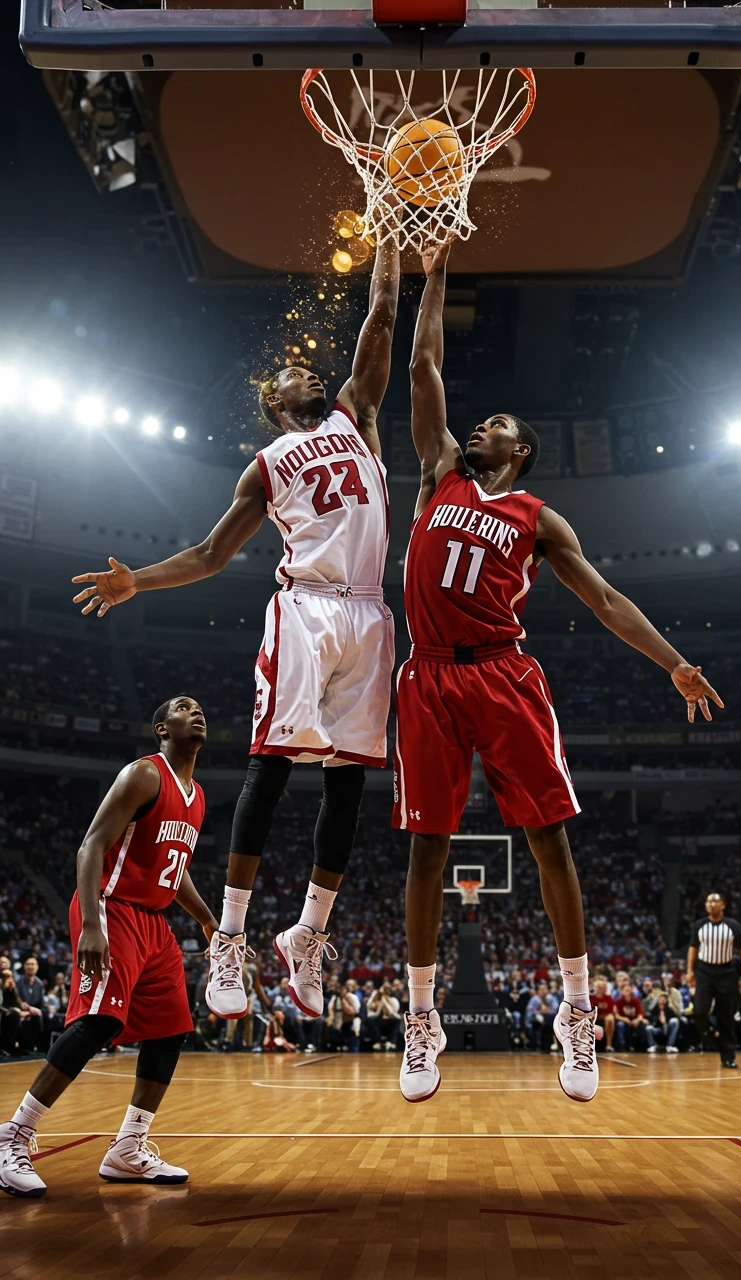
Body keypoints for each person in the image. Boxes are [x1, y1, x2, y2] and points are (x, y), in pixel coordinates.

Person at [394, 237, 723, 1105]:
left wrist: (676, 663)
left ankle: (576, 1014)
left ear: (522, 452)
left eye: (497, 424)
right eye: (480, 420)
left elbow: (607, 601)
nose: (480, 426)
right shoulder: (437, 475)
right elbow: (424, 362)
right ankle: (420, 1019)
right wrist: (434, 278)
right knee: (426, 849)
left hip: (503, 677)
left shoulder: (541, 518)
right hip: (427, 676)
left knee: (549, 840)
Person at [70, 230, 401, 1028]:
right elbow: (213, 553)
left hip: (370, 611)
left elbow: (383, 317)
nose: (309, 374)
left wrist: (393, 237)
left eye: (312, 370)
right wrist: (137, 581)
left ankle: (308, 935)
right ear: (274, 404)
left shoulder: (356, 418)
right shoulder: (268, 462)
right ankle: (229, 934)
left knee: (351, 781)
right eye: (293, 375)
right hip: (309, 608)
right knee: (277, 763)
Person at [0, 697, 216, 1198]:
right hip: (111, 908)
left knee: (170, 1030)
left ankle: (127, 1148)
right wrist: (93, 922)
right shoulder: (144, 774)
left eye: (201, 708)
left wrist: (206, 919)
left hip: (154, 923)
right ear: (163, 728)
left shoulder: (198, 796)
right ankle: (15, 1135)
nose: (197, 712)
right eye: (185, 708)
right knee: (97, 1021)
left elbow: (174, 869)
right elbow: (91, 844)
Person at [685, 892, 741, 1069]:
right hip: (704, 971)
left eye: (715, 901)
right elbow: (693, 949)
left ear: (722, 905)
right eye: (708, 901)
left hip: (726, 973)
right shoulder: (699, 925)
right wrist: (689, 971)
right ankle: (709, 1035)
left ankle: (728, 1057)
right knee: (699, 1010)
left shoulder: (732, 925)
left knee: (726, 1016)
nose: (711, 904)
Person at [613, 982, 652, 1053]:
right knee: (620, 1025)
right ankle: (622, 1045)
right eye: (626, 990)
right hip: (624, 1020)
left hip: (634, 1020)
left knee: (642, 1024)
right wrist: (624, 1019)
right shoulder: (618, 1002)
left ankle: (642, 1046)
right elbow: (616, 1015)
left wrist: (637, 1020)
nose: (628, 992)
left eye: (629, 990)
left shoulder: (636, 1001)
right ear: (622, 992)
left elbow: (640, 1014)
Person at [590, 976, 616, 1052]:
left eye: (603, 987)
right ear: (594, 987)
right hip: (592, 1018)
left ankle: (609, 1045)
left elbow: (610, 1012)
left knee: (610, 1018)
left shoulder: (608, 998)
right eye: (599, 987)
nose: (601, 988)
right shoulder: (590, 997)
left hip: (604, 1018)